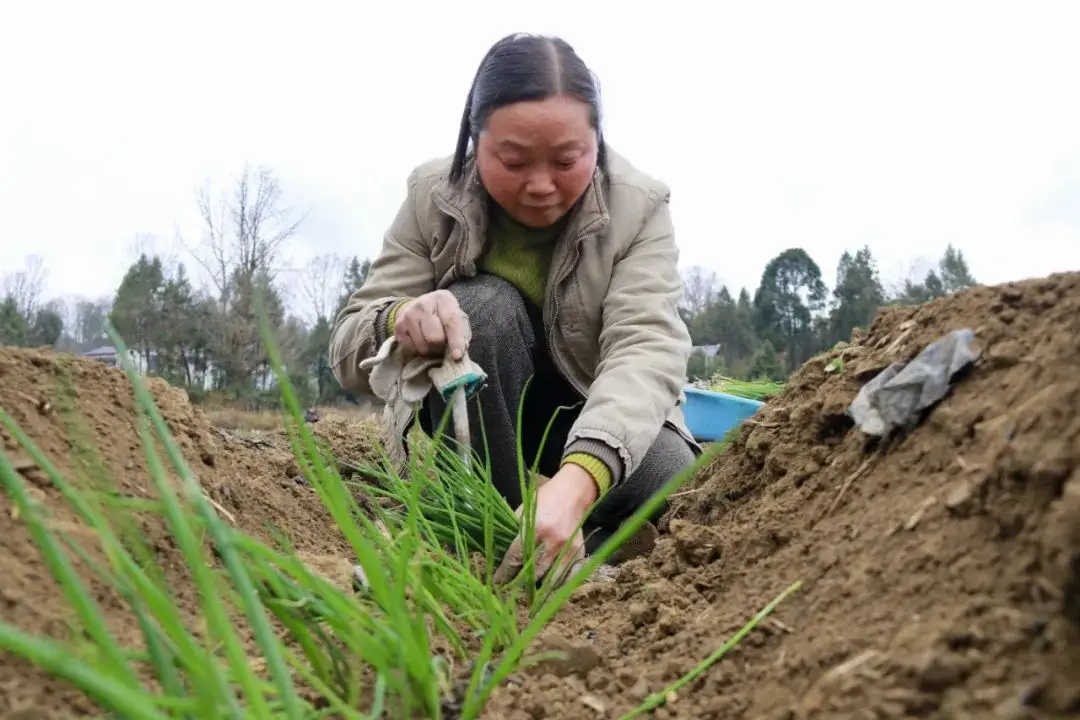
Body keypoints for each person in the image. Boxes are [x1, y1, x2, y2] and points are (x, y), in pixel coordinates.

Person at [331, 32, 699, 584]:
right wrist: (398, 319)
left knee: (673, 478)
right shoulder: (432, 196)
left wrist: (577, 481)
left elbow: (643, 350)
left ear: (596, 142)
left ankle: (580, 543)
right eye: (514, 160)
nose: (542, 185)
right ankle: (491, 532)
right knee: (480, 307)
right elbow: (348, 346)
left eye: (567, 159)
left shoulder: (639, 208)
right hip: (482, 406)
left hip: (590, 406)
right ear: (475, 143)